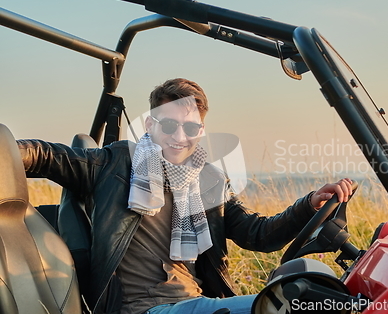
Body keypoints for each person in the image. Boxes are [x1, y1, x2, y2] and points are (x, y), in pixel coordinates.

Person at [17, 78, 353, 314]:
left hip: (197, 302)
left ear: (201, 131)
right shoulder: (117, 162)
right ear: (150, 124)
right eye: (169, 126)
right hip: (144, 308)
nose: (180, 137)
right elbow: (47, 155)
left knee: (318, 292)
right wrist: (8, 151)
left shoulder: (209, 181)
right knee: (294, 305)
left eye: (190, 128)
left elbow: (257, 234)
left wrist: (308, 205)